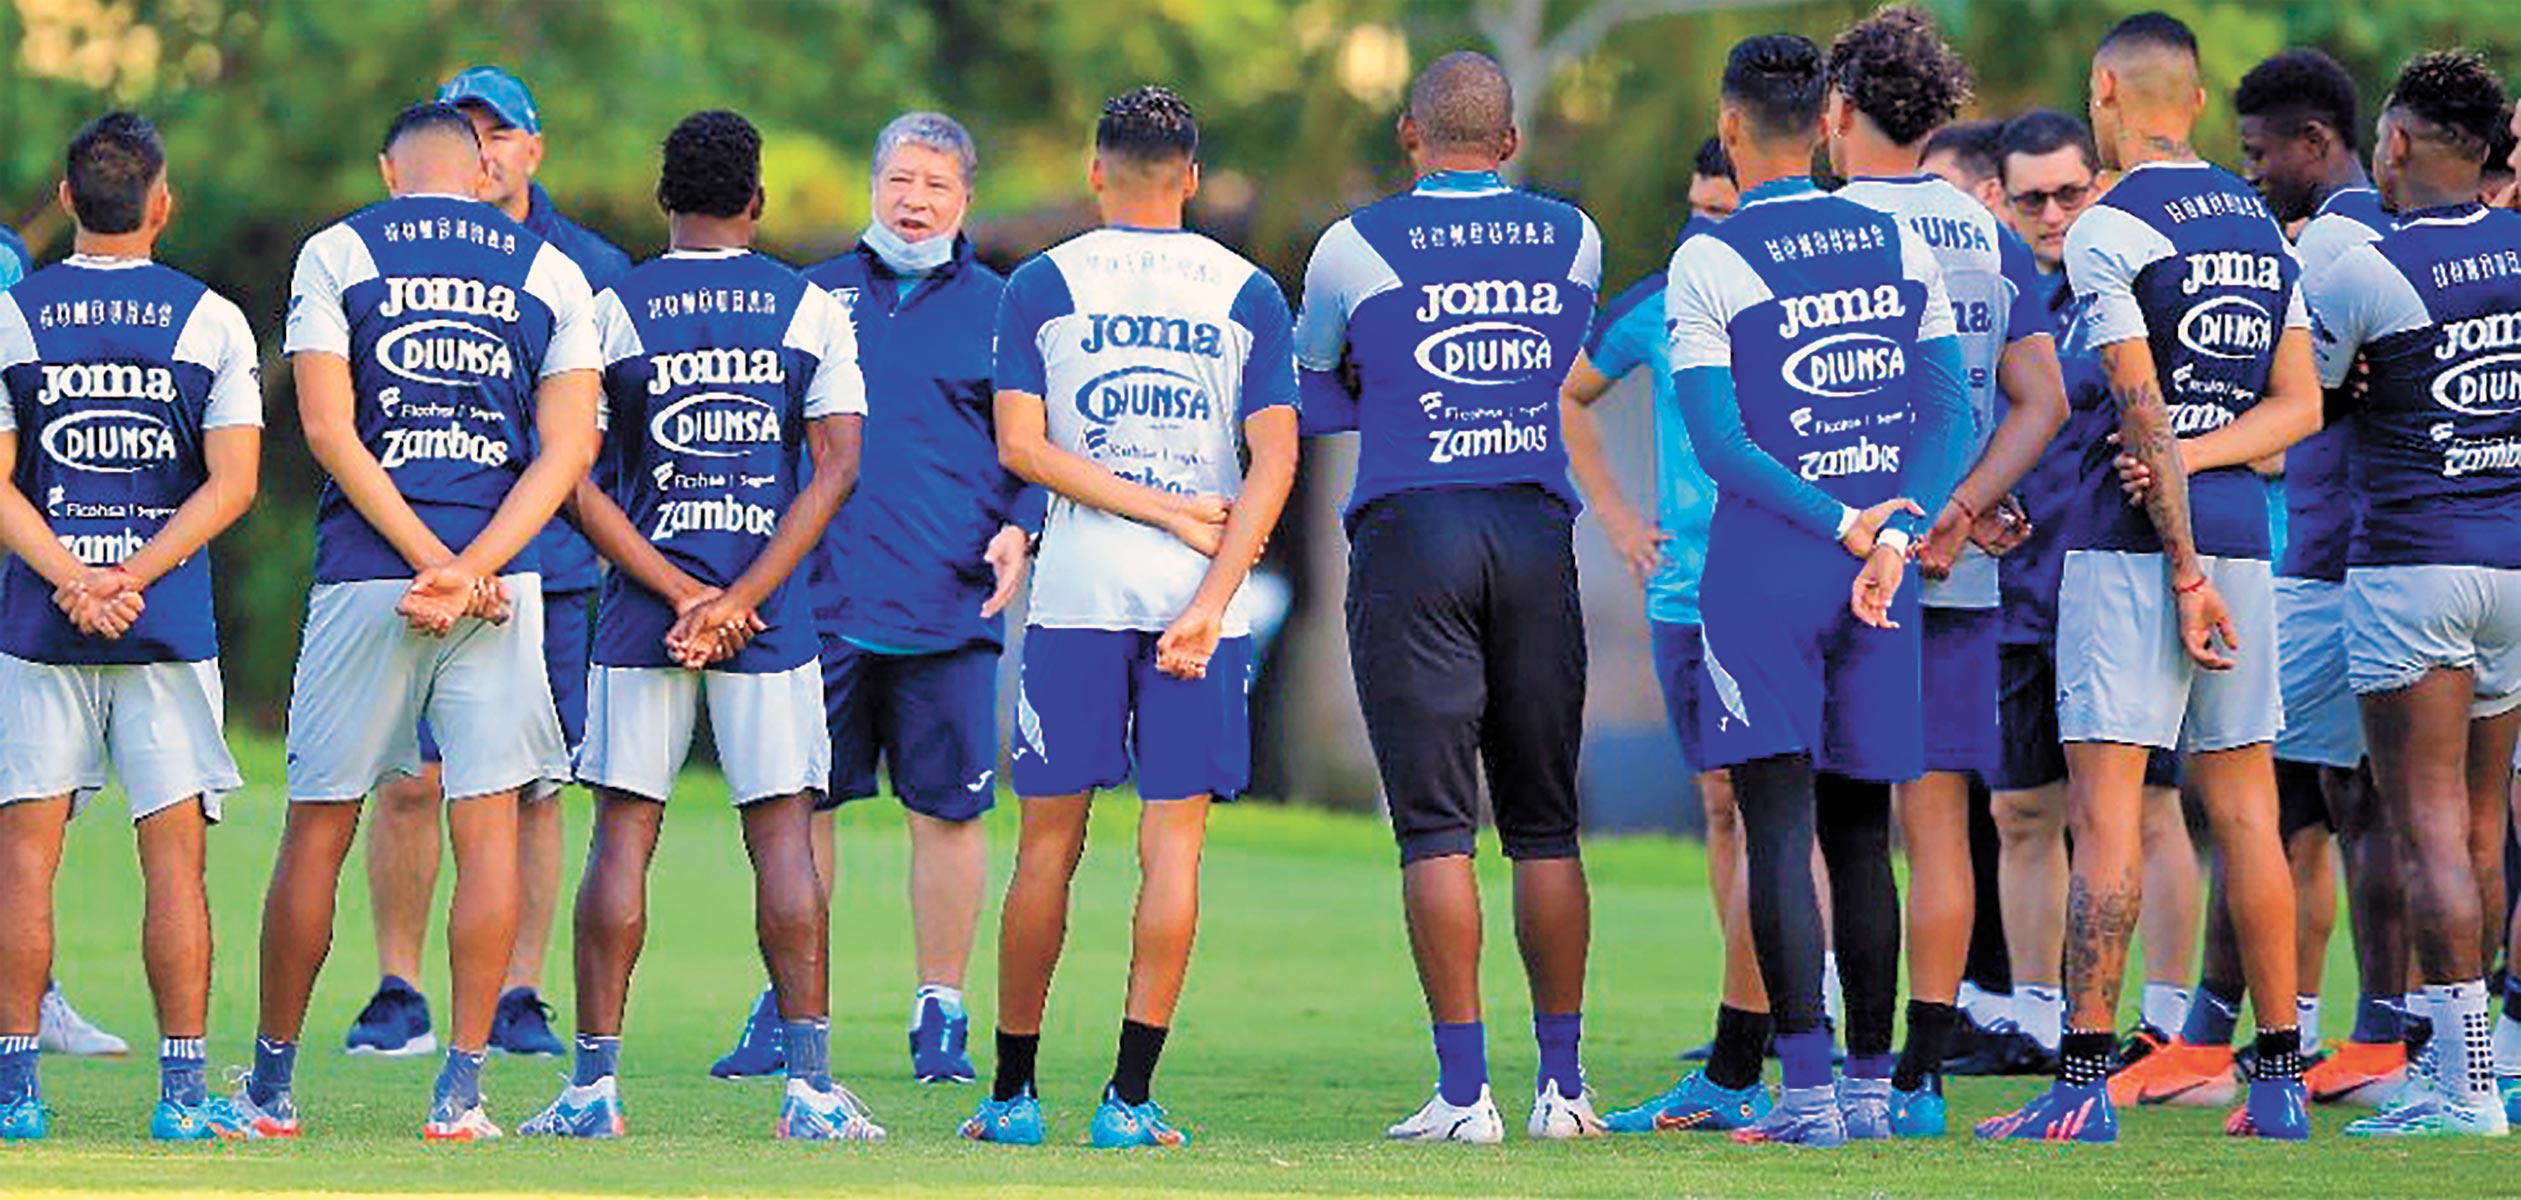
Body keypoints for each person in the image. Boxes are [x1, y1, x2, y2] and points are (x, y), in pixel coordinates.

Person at [1976, 12, 2322, 1143]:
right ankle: (2278, 1082)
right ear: (2198, 98)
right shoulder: (2257, 223)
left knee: (2106, 814)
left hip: (2137, 555)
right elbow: (2298, 408)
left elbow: (2139, 414)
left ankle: (2080, 1085)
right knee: (2248, 811)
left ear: (2105, 91)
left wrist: (2178, 562)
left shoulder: (2109, 224)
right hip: (2243, 540)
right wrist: (2203, 457)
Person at [233, 101, 601, 1141]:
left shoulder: (338, 250)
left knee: (319, 823)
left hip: (369, 574)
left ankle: (270, 1090)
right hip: (500, 584)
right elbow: (568, 451)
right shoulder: (550, 269)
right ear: (483, 172)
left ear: (390, 171)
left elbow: (326, 428)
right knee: (487, 827)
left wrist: (425, 560)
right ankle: (462, 1093)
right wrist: (472, 565)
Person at [1629, 31, 1970, 1149]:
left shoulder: (1708, 258)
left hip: (1769, 567)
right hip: (1882, 575)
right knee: (1862, 831)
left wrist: (1840, 524)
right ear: (1829, 121)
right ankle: (1871, 1094)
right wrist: (1893, 532)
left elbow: (1720, 446)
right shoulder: (1895, 239)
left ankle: (1810, 1099)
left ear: (1729, 128)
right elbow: (1951, 414)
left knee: (1777, 825)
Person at [519, 109, 875, 1142]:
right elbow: (837, 467)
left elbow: (570, 476)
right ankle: (809, 1093)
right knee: (782, 832)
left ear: (662, 200)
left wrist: (679, 594)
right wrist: (739, 597)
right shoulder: (811, 308)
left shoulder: (610, 309)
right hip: (771, 612)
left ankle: (592, 1092)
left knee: (623, 831)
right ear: (756, 202)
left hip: (643, 610)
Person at [959, 85, 1297, 1151]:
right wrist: (1208, 593)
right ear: (1190, 177)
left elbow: (1022, 449)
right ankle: (1128, 1103)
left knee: (1044, 849)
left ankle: (1012, 1100)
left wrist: (1140, 508)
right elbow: (1275, 460)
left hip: (1079, 596)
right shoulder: (1246, 290)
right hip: (1198, 600)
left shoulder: (1042, 283)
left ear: (1094, 171)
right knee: (1173, 850)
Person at [1292, 51, 1603, 1144]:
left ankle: (1465, 1096)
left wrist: (1389, 393)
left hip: (1411, 530)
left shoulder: (1351, 244)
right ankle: (1563, 1090)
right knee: (1544, 825)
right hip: (1531, 527)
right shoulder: (1574, 236)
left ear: (1408, 136)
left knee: (1435, 829)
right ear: (1509, 142)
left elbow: (1314, 388)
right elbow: (1554, 365)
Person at [709, 111, 1035, 1087]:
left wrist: (1023, 525)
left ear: (965, 197)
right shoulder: (809, 297)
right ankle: (789, 1004)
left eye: (935, 184)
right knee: (801, 806)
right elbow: (764, 435)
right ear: (873, 184)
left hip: (950, 605)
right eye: (900, 179)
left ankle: (941, 1010)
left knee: (948, 815)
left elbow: (1036, 446)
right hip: (818, 603)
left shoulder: (1004, 307)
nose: (914, 200)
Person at [344, 65, 632, 1062]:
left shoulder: (588, 264)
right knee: (411, 777)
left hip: (547, 567)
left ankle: (520, 992)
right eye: (464, 134)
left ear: (531, 149)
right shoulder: (380, 253)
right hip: (414, 556)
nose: (482, 152)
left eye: (498, 133)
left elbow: (600, 434)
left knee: (533, 785)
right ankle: (400, 989)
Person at [1824, 5, 2069, 1135]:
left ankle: (1841, 1063)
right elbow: (2041, 401)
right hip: (1952, 570)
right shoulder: (1986, 232)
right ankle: (1921, 1079)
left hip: (1836, 563)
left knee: (1837, 826)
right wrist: (1964, 508)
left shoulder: (1818, 230)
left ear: (1836, 111)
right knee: (1935, 829)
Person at [0, 113, 261, 1141]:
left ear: (68, 199)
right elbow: (232, 484)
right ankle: (183, 1099)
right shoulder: (212, 320)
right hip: (167, 624)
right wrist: (131, 577)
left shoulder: (13, 314)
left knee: (25, 859)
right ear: (163, 205)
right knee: (174, 862)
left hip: (38, 618)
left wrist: (75, 576)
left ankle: (15, 1099)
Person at [2174, 46, 2402, 1108]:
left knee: (2301, 804)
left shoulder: (2335, 247)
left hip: (2332, 555)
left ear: (2315, 142)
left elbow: (2299, 408)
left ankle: (2329, 1040)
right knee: (2334, 804)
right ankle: (2332, 1034)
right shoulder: (2384, 233)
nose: (2250, 172)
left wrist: (2187, 449)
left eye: (2258, 152)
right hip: (2369, 547)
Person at [2304, 50, 2521, 1138]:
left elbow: (2308, 399)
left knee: (2423, 821)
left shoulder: (2365, 268)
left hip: (2412, 565)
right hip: (2513, 565)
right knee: (2479, 822)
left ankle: (2463, 1088)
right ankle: (2469, 1070)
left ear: (2393, 143)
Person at [1564, 141, 1777, 1133]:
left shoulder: (1797, 295)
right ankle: (1746, 1016)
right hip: (1682, 590)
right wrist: (1615, 517)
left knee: (1784, 804)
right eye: (1693, 209)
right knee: (1721, 803)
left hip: (1775, 579)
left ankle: (1798, 1006)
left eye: (1720, 212)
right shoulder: (1656, 302)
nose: (1701, 229)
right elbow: (1570, 396)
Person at [1, 204, 133, 1066]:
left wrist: (75, 576)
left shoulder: (11, 262)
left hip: (24, 574)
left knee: (32, 804)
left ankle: (29, 993)